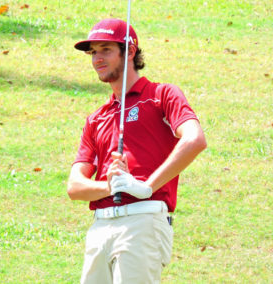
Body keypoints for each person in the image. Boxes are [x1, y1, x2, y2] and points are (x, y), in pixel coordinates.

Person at [67, 18, 207, 284]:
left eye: (106, 49)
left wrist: (145, 186)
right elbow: (74, 187)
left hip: (142, 221)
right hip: (100, 227)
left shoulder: (162, 95)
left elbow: (195, 139)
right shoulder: (96, 118)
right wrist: (114, 187)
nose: (97, 58)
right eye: (93, 52)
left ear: (129, 50)